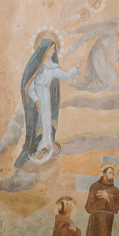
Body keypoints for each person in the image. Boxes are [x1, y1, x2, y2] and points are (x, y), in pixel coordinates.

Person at [16, 32, 79, 166]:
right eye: (52, 48)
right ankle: (37, 145)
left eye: (54, 48)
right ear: (45, 49)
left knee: (46, 120)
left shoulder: (53, 68)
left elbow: (65, 74)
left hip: (46, 96)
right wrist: (35, 99)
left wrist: (76, 68)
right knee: (38, 121)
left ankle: (46, 144)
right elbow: (30, 85)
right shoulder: (37, 67)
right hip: (38, 96)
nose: (54, 51)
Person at [84, 164, 119, 236]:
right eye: (110, 173)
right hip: (95, 219)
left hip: (108, 220)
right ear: (104, 174)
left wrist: (108, 198)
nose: (112, 175)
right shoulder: (95, 186)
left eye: (113, 174)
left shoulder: (116, 191)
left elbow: (116, 209)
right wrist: (101, 202)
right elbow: (88, 208)